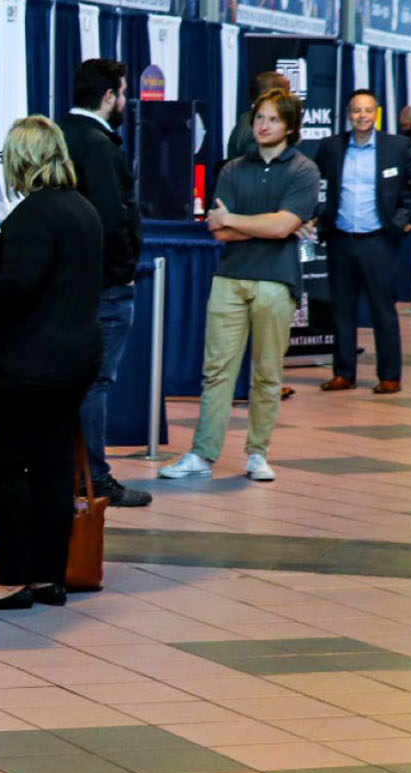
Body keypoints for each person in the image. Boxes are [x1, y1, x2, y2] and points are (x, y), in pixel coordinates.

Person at [0, 116, 104, 611]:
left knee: (6, 466)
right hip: (75, 359)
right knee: (52, 465)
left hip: (28, 365)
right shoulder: (81, 208)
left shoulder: (35, 215)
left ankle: (14, 577)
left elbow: (17, 285)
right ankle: (49, 576)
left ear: (22, 160)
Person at [160, 89, 319, 484]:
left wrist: (244, 220)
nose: (263, 126)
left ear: (290, 126)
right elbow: (219, 230)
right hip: (229, 279)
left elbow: (284, 225)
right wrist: (271, 225)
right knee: (217, 372)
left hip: (277, 282)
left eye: (272, 120)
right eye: (259, 118)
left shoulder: (303, 170)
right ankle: (202, 452)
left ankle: (257, 453)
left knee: (267, 373)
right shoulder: (231, 169)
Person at [58, 59, 151, 509]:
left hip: (64, 286)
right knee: (96, 383)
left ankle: (73, 471)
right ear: (110, 96)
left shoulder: (59, 136)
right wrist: (125, 269)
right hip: (103, 288)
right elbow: (113, 219)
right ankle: (93, 475)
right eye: (123, 92)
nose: (126, 100)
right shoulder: (98, 145)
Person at [314, 89, 411, 396]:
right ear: (348, 114)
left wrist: (408, 218)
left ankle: (390, 376)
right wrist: (316, 215)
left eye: (368, 110)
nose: (362, 116)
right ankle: (343, 374)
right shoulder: (332, 146)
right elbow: (312, 181)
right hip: (340, 238)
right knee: (341, 310)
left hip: (379, 241)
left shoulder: (396, 147)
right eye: (356, 110)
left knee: (383, 311)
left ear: (376, 113)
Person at [227, 71, 293, 162]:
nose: (291, 98)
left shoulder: (247, 119)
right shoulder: (260, 129)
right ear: (272, 95)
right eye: (287, 92)